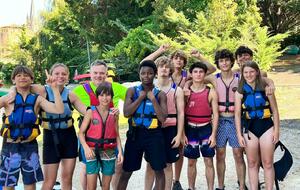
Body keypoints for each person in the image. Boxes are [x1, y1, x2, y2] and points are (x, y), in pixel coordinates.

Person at [143, 45, 215, 190]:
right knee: (151, 163)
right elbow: (144, 64)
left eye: (181, 59)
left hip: (176, 119)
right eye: (176, 58)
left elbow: (211, 69)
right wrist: (160, 50)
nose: (178, 61)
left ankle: (176, 181)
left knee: (178, 153)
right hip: (156, 123)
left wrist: (199, 56)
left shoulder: (187, 76)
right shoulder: (153, 83)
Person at [20, 63, 86, 190]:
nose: (60, 76)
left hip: (69, 137)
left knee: (67, 178)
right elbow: (21, 85)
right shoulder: (42, 90)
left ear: (68, 77)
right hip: (50, 136)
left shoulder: (71, 95)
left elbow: (87, 111)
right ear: (50, 75)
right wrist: (12, 91)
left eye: (64, 74)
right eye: (57, 73)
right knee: (49, 181)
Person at [0, 65, 64, 189]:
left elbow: (59, 109)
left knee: (30, 183)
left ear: (31, 79)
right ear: (13, 80)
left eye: (26, 75)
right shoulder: (8, 98)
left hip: (29, 146)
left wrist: (55, 89)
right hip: (10, 146)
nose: (22, 78)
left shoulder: (37, 100)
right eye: (18, 75)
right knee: (8, 183)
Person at [72, 60, 127, 190]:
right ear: (90, 74)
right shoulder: (78, 91)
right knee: (87, 169)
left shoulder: (116, 88)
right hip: (89, 137)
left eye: (102, 73)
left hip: (110, 138)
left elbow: (134, 96)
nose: (98, 75)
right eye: (95, 73)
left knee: (118, 166)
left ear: (106, 74)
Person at [117, 60, 167, 190]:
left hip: (154, 135)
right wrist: (140, 98)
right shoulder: (132, 91)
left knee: (159, 171)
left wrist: (152, 99)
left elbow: (163, 118)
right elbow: (127, 113)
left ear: (155, 74)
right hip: (135, 135)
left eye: (150, 73)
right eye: (143, 73)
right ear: (139, 75)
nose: (146, 76)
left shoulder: (160, 94)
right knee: (126, 172)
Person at [204, 49, 247, 190]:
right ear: (218, 63)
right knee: (220, 154)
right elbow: (193, 78)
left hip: (236, 119)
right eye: (221, 61)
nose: (224, 63)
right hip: (220, 120)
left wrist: (270, 83)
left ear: (231, 61)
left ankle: (242, 186)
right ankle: (221, 186)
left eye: (227, 60)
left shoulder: (240, 76)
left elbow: (262, 75)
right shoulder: (213, 78)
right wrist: (186, 87)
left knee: (238, 154)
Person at [235, 61, 280, 190]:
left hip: (266, 125)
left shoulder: (266, 89)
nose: (249, 75)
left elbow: (275, 111)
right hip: (249, 128)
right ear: (242, 74)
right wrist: (239, 135)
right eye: (246, 72)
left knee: (267, 162)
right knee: (252, 163)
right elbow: (237, 114)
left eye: (252, 72)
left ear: (257, 72)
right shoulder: (240, 92)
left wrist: (276, 130)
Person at [144, 56, 184, 190]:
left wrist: (179, 135)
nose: (164, 69)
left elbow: (181, 113)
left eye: (167, 67)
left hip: (170, 128)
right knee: (150, 165)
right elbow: (143, 64)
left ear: (170, 70)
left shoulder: (176, 90)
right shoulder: (150, 88)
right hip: (153, 129)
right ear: (156, 70)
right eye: (161, 66)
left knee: (168, 164)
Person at [78, 83, 123, 190]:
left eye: (107, 95)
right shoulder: (90, 112)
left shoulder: (114, 113)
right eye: (102, 95)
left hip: (109, 151)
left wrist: (120, 151)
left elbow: (116, 134)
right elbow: (80, 133)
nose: (104, 98)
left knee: (106, 186)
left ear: (111, 97)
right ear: (97, 97)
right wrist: (86, 148)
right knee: (91, 187)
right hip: (92, 150)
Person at [183, 62, 219, 190]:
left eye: (201, 72)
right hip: (190, 129)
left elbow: (216, 115)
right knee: (191, 161)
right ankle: (191, 188)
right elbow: (181, 114)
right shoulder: (185, 92)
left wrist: (213, 135)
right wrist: (182, 134)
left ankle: (210, 188)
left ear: (205, 74)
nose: (198, 74)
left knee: (208, 161)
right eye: (195, 72)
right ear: (191, 74)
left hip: (206, 129)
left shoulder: (211, 92)